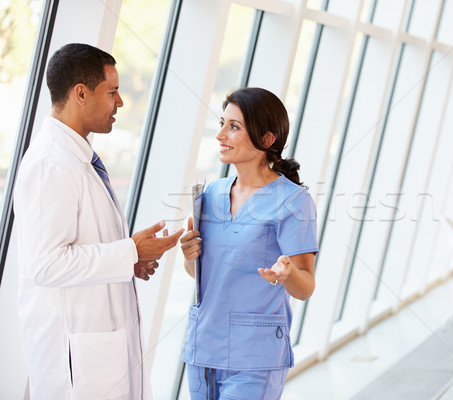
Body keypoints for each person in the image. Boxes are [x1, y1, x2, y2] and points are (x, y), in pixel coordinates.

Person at [13, 43, 184, 400]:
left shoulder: (78, 157)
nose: (120, 103)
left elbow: (78, 249)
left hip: (96, 352)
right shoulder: (50, 164)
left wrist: (129, 260)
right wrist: (128, 252)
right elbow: (46, 265)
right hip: (76, 363)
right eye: (112, 92)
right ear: (81, 94)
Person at [179, 87, 318, 399]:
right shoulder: (212, 194)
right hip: (203, 351)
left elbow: (305, 286)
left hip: (255, 359)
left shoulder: (294, 201)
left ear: (267, 140)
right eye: (222, 124)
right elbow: (202, 274)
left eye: (234, 127)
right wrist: (190, 256)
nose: (220, 136)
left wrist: (287, 274)